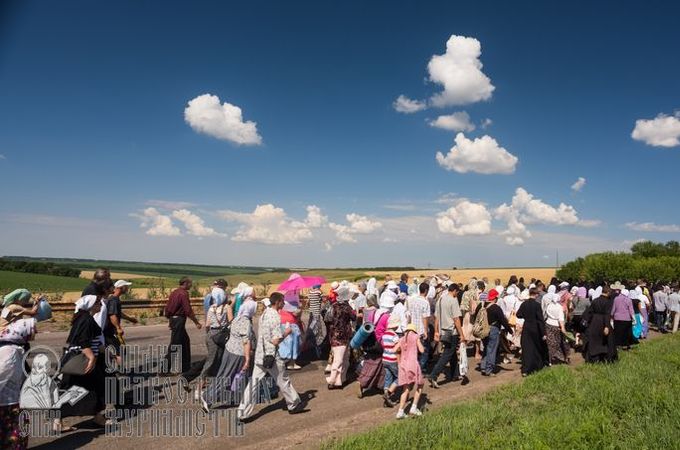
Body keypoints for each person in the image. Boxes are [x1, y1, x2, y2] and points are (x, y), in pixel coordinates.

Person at [238, 292, 303, 421]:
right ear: (278, 302)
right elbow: (276, 340)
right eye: (282, 301)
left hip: (260, 355)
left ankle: (242, 412)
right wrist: (287, 332)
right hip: (272, 355)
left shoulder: (264, 314)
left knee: (253, 384)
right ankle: (293, 403)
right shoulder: (274, 316)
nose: (284, 303)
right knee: (283, 380)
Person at [61, 295, 108, 426]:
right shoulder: (87, 320)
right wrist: (92, 357)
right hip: (84, 361)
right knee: (96, 388)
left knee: (71, 390)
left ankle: (57, 421)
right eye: (98, 303)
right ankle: (98, 417)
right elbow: (83, 342)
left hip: (78, 361)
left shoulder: (82, 318)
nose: (101, 305)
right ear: (91, 305)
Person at [202, 297, 256, 411]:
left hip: (229, 350)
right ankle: (208, 397)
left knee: (228, 376)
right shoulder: (246, 322)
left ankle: (234, 397)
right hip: (238, 354)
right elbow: (246, 342)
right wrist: (247, 359)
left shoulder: (237, 318)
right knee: (229, 377)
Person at [0, 318, 36, 449]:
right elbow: (2, 374)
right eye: (32, 329)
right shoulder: (11, 351)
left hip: (11, 400)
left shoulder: (12, 348)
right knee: (13, 440)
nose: (35, 332)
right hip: (9, 404)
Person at [430, 283, 467, 387]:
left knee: (452, 353)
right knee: (447, 354)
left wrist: (437, 331)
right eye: (457, 292)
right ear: (454, 291)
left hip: (443, 331)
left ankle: (455, 374)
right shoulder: (453, 301)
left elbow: (436, 317)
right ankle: (434, 375)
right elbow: (456, 319)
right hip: (452, 332)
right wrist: (462, 335)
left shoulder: (440, 300)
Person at [196, 285, 230, 398]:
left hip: (212, 335)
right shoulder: (227, 307)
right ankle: (220, 387)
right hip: (223, 335)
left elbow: (207, 324)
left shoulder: (211, 308)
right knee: (221, 361)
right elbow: (231, 322)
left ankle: (199, 388)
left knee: (210, 361)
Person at [163, 277, 202, 374]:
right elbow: (188, 310)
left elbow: (168, 308)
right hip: (179, 321)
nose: (191, 285)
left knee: (185, 342)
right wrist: (196, 322)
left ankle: (186, 367)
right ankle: (164, 370)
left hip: (175, 320)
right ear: (185, 283)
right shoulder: (184, 294)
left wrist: (170, 321)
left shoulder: (174, 292)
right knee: (175, 345)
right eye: (190, 283)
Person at [326, 283, 356, 389]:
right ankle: (332, 380)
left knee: (340, 358)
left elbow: (328, 319)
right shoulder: (346, 307)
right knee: (340, 359)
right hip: (343, 336)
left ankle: (339, 380)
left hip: (334, 334)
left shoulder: (333, 306)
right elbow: (353, 317)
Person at [477, 289, 512, 376]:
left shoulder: (482, 306)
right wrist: (510, 330)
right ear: (495, 298)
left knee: (486, 348)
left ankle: (483, 367)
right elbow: (503, 321)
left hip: (483, 330)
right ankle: (489, 369)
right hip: (493, 330)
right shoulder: (496, 308)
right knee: (492, 350)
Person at [103, 280, 138, 365]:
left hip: (109, 330)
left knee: (117, 349)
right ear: (121, 288)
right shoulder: (113, 300)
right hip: (110, 331)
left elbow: (118, 313)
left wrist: (129, 319)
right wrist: (118, 328)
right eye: (126, 286)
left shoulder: (114, 299)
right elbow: (112, 315)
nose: (127, 288)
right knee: (120, 349)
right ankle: (119, 370)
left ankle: (113, 367)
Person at [394, 323, 424, 419]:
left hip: (403, 365)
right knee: (420, 385)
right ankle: (414, 407)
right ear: (414, 330)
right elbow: (422, 350)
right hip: (413, 364)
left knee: (406, 389)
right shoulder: (415, 336)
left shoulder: (402, 339)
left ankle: (400, 411)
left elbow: (394, 349)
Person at [516, 288, 547, 376]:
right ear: (536, 294)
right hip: (535, 327)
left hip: (526, 327)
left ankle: (525, 369)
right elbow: (540, 320)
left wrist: (526, 316)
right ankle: (536, 366)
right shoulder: (537, 305)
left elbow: (518, 315)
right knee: (535, 347)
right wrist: (543, 333)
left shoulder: (524, 304)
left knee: (526, 348)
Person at [582, 287, 617, 363]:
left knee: (594, 340)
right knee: (607, 340)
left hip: (594, 322)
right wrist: (607, 326)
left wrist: (587, 322)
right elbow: (607, 314)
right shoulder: (608, 302)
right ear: (608, 293)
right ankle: (606, 357)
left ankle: (594, 358)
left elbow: (589, 312)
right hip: (603, 322)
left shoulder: (595, 300)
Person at [405, 282, 431, 372]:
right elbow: (425, 318)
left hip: (413, 329)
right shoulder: (425, 303)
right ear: (426, 291)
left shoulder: (412, 301)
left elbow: (409, 315)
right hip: (421, 330)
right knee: (424, 351)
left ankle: (413, 367)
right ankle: (420, 369)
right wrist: (426, 331)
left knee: (414, 350)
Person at [544, 287, 570, 364]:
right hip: (557, 325)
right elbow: (561, 319)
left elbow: (545, 315)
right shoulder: (559, 307)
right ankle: (563, 357)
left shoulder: (548, 306)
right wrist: (563, 328)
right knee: (560, 342)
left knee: (550, 343)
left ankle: (549, 359)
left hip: (548, 324)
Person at [381, 315, 400, 407]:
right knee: (399, 377)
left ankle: (386, 394)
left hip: (385, 358)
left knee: (388, 377)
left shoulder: (384, 335)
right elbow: (397, 349)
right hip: (393, 359)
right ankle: (388, 393)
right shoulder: (395, 336)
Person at [461, 280, 483, 360]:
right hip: (476, 316)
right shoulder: (477, 293)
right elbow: (480, 304)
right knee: (477, 335)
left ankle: (462, 352)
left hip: (466, 316)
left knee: (465, 334)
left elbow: (462, 306)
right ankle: (477, 353)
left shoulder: (465, 293)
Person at [610, 282, 635, 349]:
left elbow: (613, 308)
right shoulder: (628, 299)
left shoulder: (616, 299)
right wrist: (633, 318)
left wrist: (611, 315)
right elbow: (631, 310)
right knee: (627, 333)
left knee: (617, 332)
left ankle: (618, 345)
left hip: (617, 318)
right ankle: (627, 345)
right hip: (627, 319)